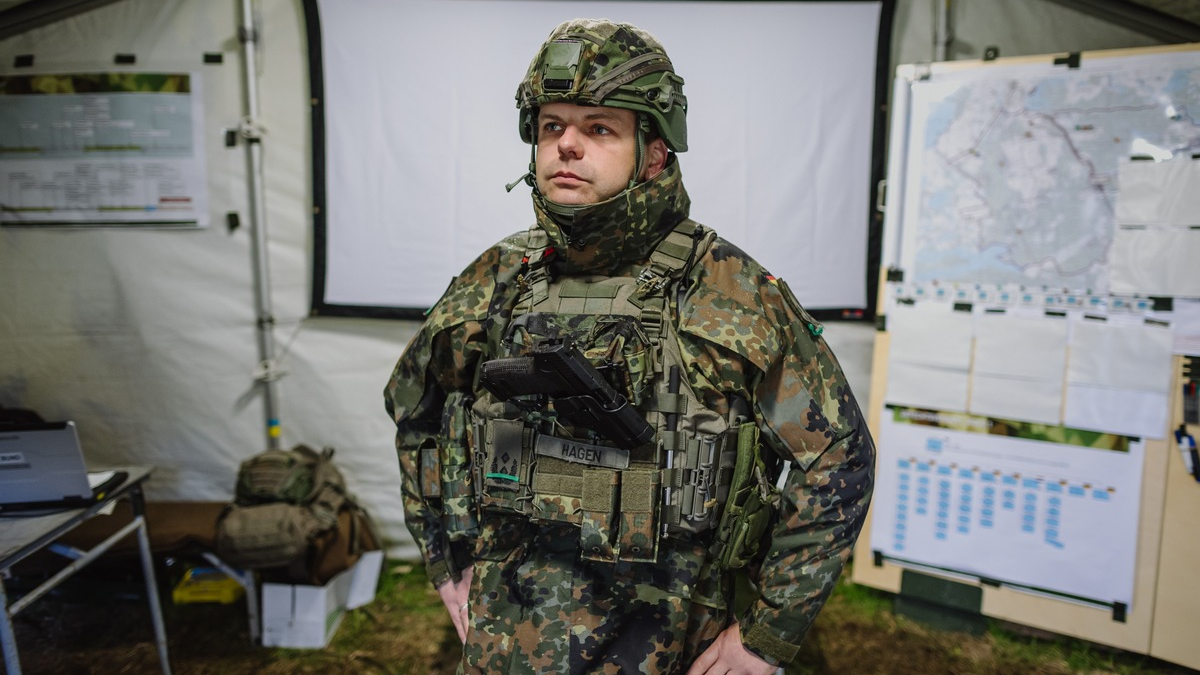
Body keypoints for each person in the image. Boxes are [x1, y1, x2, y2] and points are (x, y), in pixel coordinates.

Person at [385, 18, 874, 675]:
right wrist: (446, 558)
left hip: (672, 645)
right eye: (552, 126)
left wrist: (765, 633)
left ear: (655, 150)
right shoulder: (494, 280)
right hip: (508, 646)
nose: (567, 147)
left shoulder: (731, 290)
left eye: (599, 128)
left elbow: (838, 456)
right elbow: (415, 413)